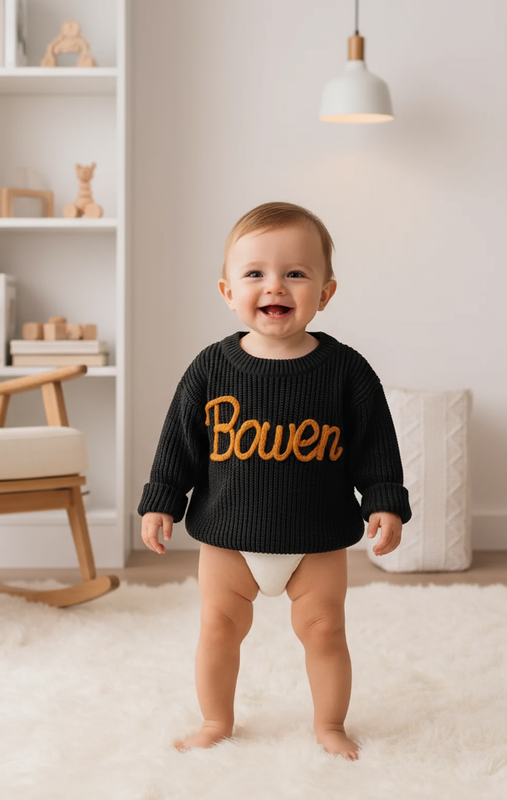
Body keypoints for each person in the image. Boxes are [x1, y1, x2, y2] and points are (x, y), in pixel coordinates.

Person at [139, 202, 411, 760]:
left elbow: (376, 444)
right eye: (255, 273)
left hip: (315, 539)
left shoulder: (347, 370)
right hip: (228, 537)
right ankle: (216, 719)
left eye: (295, 273)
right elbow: (178, 444)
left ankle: (330, 726)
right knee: (218, 628)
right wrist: (162, 500)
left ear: (326, 292)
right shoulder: (210, 369)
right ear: (227, 291)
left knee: (325, 631)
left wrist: (383, 499)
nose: (275, 286)